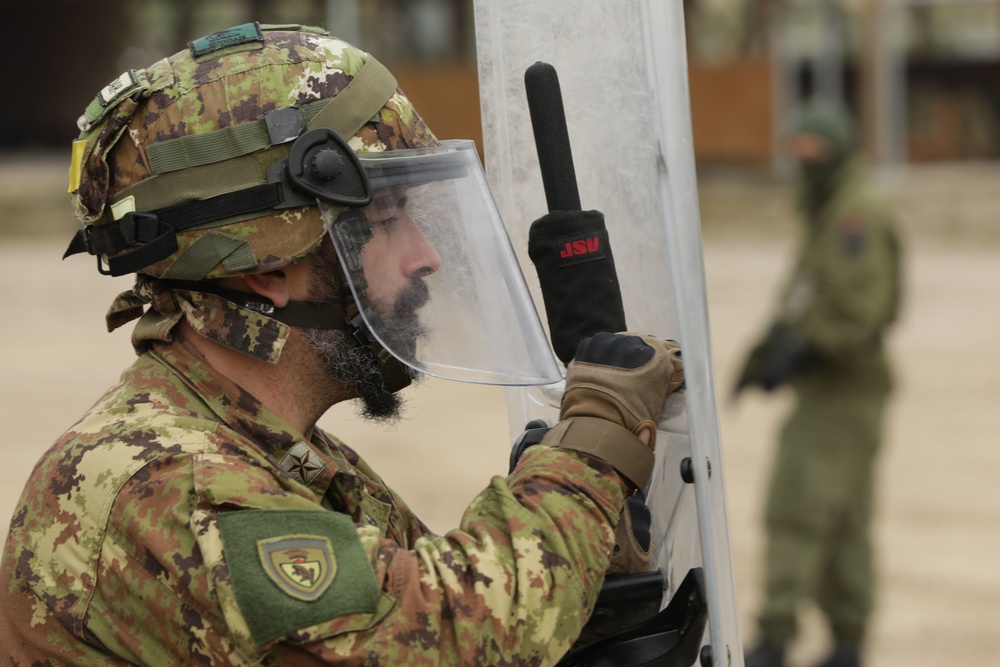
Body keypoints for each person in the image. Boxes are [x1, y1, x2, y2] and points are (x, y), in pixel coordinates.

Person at [0, 24, 685, 665]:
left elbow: (420, 601)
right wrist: (590, 455)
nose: (426, 258)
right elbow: (448, 635)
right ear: (267, 263)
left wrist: (581, 563)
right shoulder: (167, 482)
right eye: (385, 222)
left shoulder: (283, 454)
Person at [735, 99, 903, 667]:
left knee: (798, 505)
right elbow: (808, 297)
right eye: (796, 152)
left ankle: (774, 638)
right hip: (841, 385)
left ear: (836, 155)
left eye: (814, 154)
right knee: (845, 517)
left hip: (842, 384)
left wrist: (801, 350)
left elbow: (857, 309)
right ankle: (848, 642)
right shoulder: (830, 210)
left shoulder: (855, 215)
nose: (803, 164)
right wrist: (763, 354)